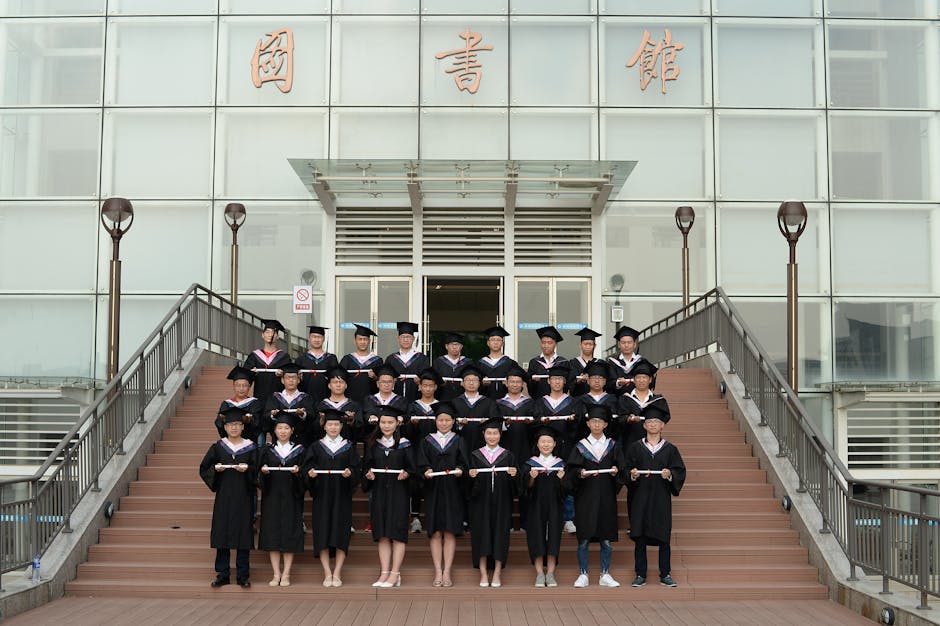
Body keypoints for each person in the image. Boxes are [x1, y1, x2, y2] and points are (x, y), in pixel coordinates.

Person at [625, 404, 686, 588]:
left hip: (661, 498)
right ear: (644, 425)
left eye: (656, 422)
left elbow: (680, 471)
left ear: (662, 425)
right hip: (640, 497)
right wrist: (632, 474)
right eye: (649, 422)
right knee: (640, 537)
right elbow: (625, 470)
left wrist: (670, 475)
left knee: (663, 538)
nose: (652, 425)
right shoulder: (635, 448)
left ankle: (665, 573)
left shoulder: (670, 449)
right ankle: (640, 574)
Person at [199, 406, 258, 589]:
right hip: (224, 497)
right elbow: (204, 469)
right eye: (230, 424)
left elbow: (258, 471)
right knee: (222, 534)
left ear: (243, 427)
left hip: (244, 497)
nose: (234, 428)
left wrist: (248, 470)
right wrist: (215, 470)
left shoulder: (251, 447)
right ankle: (222, 574)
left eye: (238, 424)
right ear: (225, 427)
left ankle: (243, 575)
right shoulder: (218, 447)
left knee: (243, 535)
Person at [566, 404, 623, 589]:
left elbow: (622, 470)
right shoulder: (581, 446)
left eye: (600, 422)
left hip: (606, 496)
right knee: (584, 538)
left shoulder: (613, 446)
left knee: (605, 538)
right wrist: (579, 473)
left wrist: (616, 472)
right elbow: (571, 471)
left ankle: (605, 574)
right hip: (585, 498)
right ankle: (583, 574)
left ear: (606, 424)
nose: (596, 424)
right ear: (588, 423)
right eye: (593, 421)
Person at [303, 408, 359, 588]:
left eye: (336, 424)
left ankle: (337, 572)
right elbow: (307, 468)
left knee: (341, 532)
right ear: (324, 426)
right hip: (322, 495)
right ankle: (327, 572)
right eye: (330, 424)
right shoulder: (316, 447)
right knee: (323, 532)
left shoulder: (348, 446)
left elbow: (356, 469)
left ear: (341, 426)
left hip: (342, 496)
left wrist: (351, 473)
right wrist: (309, 474)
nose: (333, 427)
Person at [361, 405, 414, 588]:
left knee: (397, 533)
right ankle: (384, 572)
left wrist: (407, 473)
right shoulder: (373, 444)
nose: (386, 425)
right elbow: (366, 467)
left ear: (397, 423)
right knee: (382, 533)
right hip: (380, 492)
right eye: (383, 422)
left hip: (399, 492)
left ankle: (395, 573)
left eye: (390, 422)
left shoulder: (405, 444)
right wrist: (368, 475)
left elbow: (413, 468)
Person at [416, 402, 468, 588]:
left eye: (447, 420)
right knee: (436, 532)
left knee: (450, 531)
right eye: (440, 420)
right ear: (435, 421)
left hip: (453, 490)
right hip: (434, 490)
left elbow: (464, 462)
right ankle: (438, 571)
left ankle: (447, 572)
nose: (444, 423)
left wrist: (461, 469)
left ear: (454, 421)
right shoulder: (427, 440)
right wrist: (426, 470)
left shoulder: (459, 440)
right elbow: (421, 463)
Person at [468, 417, 518, 588]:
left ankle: (497, 572)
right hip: (480, 503)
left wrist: (514, 475)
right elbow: (467, 486)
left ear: (500, 434)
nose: (492, 436)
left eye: (495, 433)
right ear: (483, 434)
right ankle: (483, 572)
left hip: (502, 503)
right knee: (481, 535)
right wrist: (471, 476)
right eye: (488, 433)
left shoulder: (508, 455)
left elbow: (515, 485)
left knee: (500, 534)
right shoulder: (475, 455)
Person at [257, 410, 305, 587]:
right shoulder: (267, 450)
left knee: (289, 533)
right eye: (279, 428)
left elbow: (306, 475)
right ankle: (276, 573)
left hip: (292, 497)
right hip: (272, 497)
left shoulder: (299, 450)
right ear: (274, 431)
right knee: (272, 533)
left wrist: (299, 473)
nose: (283, 431)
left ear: (292, 430)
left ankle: (286, 573)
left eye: (286, 428)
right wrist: (263, 473)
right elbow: (258, 475)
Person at [534, 362, 581, 533]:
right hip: (545, 448)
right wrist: (542, 422)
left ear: (564, 381)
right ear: (548, 381)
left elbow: (578, 425)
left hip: (566, 446)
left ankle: (568, 518)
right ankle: (545, 518)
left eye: (560, 379)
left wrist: (572, 422)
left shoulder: (573, 402)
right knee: (545, 481)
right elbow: (534, 423)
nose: (557, 382)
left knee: (566, 481)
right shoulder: (540, 403)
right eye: (554, 379)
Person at [525, 428, 566, 588]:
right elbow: (525, 489)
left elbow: (567, 489)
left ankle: (550, 573)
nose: (546, 444)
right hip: (536, 506)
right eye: (543, 441)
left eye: (549, 441)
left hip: (555, 506)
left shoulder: (561, 464)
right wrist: (531, 479)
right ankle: (539, 574)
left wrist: (562, 480)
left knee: (554, 538)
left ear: (554, 444)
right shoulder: (530, 464)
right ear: (537, 443)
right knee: (537, 537)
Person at [405, 368, 443, 534]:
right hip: (416, 448)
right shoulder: (412, 406)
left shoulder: (441, 407)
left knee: (435, 483)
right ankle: (416, 519)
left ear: (435, 387)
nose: (428, 388)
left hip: (437, 450)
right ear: (419, 387)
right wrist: (411, 424)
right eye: (425, 385)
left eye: (431, 385)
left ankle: (436, 518)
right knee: (415, 484)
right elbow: (406, 433)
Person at [618, 359, 670, 448]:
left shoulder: (658, 401)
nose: (641, 380)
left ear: (650, 380)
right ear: (633, 380)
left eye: (644, 377)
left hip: (652, 443)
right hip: (629, 442)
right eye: (638, 377)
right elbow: (619, 418)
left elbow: (666, 417)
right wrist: (628, 419)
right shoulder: (625, 399)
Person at [244, 319, 293, 410]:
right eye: (267, 332)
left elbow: (291, 377)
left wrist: (283, 375)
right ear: (263, 335)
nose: (270, 335)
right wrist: (251, 373)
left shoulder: (284, 357)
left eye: (273, 333)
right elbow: (245, 378)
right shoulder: (254, 356)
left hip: (278, 399)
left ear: (277, 337)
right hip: (259, 398)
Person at [263, 362, 315, 445]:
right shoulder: (274, 397)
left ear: (298, 380)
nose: (291, 380)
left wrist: (303, 414)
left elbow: (311, 416)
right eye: (288, 378)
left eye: (294, 378)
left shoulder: (305, 398)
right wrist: (272, 415)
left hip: (300, 441)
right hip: (278, 441)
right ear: (282, 380)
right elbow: (266, 416)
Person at [313, 366, 363, 444]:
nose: (338, 385)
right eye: (335, 382)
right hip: (324, 449)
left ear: (346, 385)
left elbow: (361, 431)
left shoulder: (354, 406)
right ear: (329, 385)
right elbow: (313, 431)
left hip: (347, 449)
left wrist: (352, 421)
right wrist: (321, 422)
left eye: (341, 382)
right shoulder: (321, 406)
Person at [453, 364, 497, 452]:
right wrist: (459, 425)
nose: (471, 383)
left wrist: (487, 424)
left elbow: (495, 423)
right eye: (468, 380)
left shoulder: (489, 402)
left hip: (482, 444)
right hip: (461, 443)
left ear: (479, 383)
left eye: (474, 380)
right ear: (462, 383)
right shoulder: (455, 402)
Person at [214, 365, 262, 442]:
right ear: (233, 386)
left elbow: (257, 424)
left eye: (244, 385)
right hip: (231, 441)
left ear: (249, 387)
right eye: (238, 385)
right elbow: (219, 423)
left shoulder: (255, 403)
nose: (241, 388)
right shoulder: (226, 404)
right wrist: (222, 419)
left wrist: (249, 420)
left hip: (249, 442)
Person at [386, 321, 430, 404]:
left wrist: (420, 380)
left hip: (416, 397)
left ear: (413, 338)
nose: (405, 339)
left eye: (408, 337)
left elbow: (427, 378)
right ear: (398, 339)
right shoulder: (391, 359)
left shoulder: (422, 358)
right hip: (394, 399)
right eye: (403, 337)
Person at [576, 360, 620, 441]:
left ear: (605, 382)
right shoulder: (580, 400)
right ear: (588, 381)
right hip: (586, 441)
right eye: (594, 378)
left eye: (600, 378)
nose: (597, 381)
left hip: (608, 441)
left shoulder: (613, 399)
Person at [339, 324, 382, 405]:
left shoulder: (377, 360)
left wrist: (375, 377)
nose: (362, 342)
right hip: (350, 401)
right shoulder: (347, 359)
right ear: (355, 340)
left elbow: (382, 382)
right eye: (360, 339)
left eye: (365, 339)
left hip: (371, 402)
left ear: (369, 341)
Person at [297, 325, 339, 405]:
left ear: (323, 339)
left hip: (327, 399)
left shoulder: (331, 358)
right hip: (305, 400)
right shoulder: (301, 359)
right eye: (314, 337)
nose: (316, 339)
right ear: (309, 338)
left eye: (319, 337)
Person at [607, 325, 652, 395]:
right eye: (623, 342)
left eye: (629, 342)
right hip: (618, 401)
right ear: (619, 345)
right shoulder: (612, 363)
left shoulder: (642, 362)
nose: (626, 345)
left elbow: (650, 383)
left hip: (637, 401)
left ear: (634, 344)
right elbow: (608, 384)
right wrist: (618, 383)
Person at [476, 325, 518, 400]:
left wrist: (509, 383)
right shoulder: (480, 364)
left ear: (503, 343)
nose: (495, 342)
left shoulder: (510, 363)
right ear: (488, 343)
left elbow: (519, 382)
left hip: (506, 402)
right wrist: (482, 383)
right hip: (485, 401)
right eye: (493, 340)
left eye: (498, 340)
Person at [527, 326, 567, 401]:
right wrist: (533, 382)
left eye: (549, 343)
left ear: (555, 344)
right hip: (539, 401)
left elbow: (566, 385)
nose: (546, 346)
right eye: (543, 342)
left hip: (558, 402)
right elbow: (530, 387)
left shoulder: (563, 362)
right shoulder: (534, 362)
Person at [363, 364, 409, 429]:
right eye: (383, 382)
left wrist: (402, 418)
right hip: (373, 435)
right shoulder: (369, 399)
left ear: (393, 384)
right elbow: (365, 415)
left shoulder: (401, 400)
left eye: (390, 382)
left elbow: (406, 417)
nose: (386, 385)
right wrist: (369, 417)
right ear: (377, 384)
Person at [432, 332, 471, 402]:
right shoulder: (439, 362)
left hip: (463, 399)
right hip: (443, 398)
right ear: (446, 346)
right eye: (452, 344)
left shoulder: (468, 362)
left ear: (461, 346)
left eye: (457, 344)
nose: (454, 347)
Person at [569, 327, 602, 397]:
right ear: (580, 345)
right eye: (585, 344)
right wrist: (578, 381)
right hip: (578, 401)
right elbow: (569, 384)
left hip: (596, 401)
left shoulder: (600, 363)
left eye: (590, 344)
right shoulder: (573, 363)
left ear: (594, 346)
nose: (587, 346)